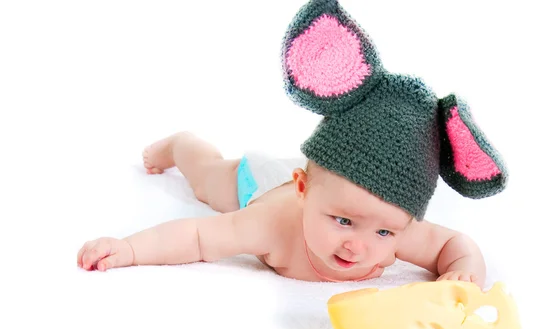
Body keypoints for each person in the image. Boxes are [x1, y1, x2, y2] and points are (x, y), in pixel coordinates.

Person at [76, 0, 508, 288]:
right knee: (210, 181)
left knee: (354, 202)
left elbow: (457, 247)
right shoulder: (270, 228)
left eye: (382, 231)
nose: (357, 245)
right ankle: (182, 144)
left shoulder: (395, 228)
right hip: (262, 185)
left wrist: (464, 275)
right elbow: (196, 236)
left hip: (323, 174)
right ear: (304, 189)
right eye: (341, 221)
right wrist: (129, 249)